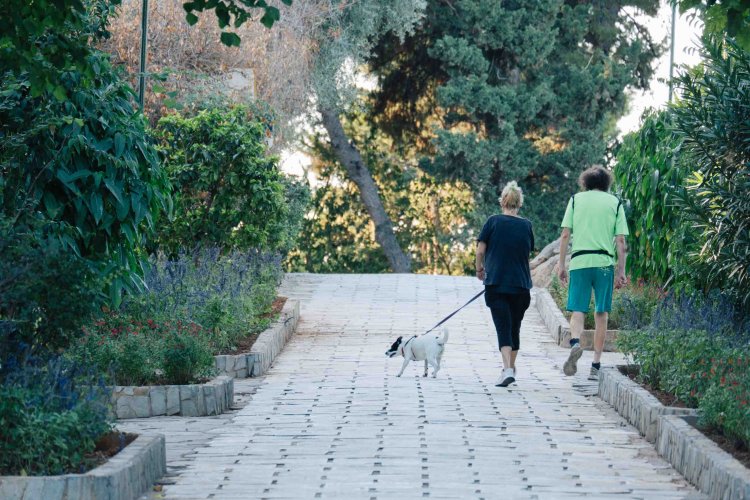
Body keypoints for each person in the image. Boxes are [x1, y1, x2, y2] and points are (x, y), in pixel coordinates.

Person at [557, 165, 628, 381]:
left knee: (578, 310)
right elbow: (621, 240)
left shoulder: (576, 200)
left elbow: (566, 235)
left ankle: (576, 343)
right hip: (604, 263)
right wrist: (621, 271)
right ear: (606, 183)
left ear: (585, 182)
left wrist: (561, 265)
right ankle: (596, 364)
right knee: (601, 313)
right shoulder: (614, 202)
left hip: (580, 261)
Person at [476, 181, 534, 387]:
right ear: (519, 203)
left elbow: (480, 251)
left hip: (497, 285)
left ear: (503, 201)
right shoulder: (526, 225)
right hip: (521, 287)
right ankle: (509, 369)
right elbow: (526, 254)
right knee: (514, 328)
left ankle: (508, 369)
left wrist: (479, 269)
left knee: (503, 328)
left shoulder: (492, 222)